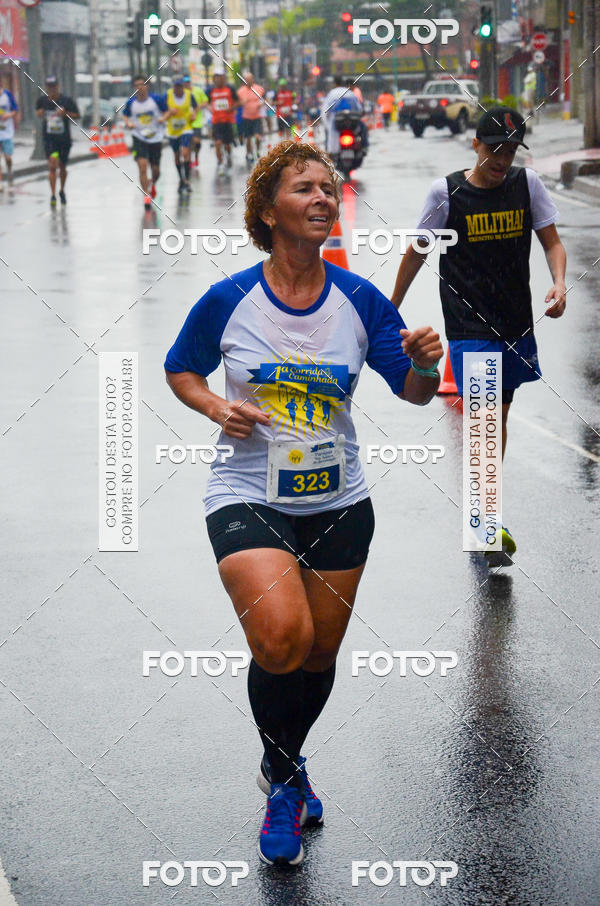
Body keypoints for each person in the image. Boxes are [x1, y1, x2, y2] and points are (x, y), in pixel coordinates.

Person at [164, 140, 442, 866]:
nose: (322, 197)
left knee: (319, 652)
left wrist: (422, 365)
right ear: (268, 211)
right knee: (281, 639)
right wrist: (213, 407)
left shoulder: (358, 299)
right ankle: (283, 784)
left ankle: (283, 760)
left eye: (328, 186)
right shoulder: (229, 299)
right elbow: (180, 369)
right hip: (245, 493)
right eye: (303, 188)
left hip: (339, 499)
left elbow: (411, 394)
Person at [390, 106, 567, 565]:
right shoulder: (447, 193)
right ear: (476, 145)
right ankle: (486, 521)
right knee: (485, 421)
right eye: (494, 149)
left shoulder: (527, 185)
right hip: (469, 328)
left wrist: (559, 282)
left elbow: (551, 241)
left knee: (497, 420)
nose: (502, 158)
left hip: (514, 322)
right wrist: (391, 306)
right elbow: (417, 252)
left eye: (510, 150)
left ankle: (481, 516)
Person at [123, 74, 169, 208]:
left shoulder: (156, 99)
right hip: (139, 137)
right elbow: (125, 115)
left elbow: (167, 111)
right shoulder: (131, 102)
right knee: (142, 165)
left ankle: (152, 183)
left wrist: (163, 118)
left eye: (142, 84)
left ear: (147, 86)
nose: (139, 87)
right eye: (137, 85)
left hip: (155, 137)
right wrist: (129, 123)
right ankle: (146, 196)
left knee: (156, 170)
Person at [35, 76, 80, 206]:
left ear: (58, 86)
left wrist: (65, 114)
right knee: (53, 165)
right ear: (46, 87)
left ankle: (62, 190)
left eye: (53, 86)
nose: (51, 89)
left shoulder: (66, 101)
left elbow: (77, 115)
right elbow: (38, 113)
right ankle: (53, 194)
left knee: (62, 167)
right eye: (49, 86)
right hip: (49, 139)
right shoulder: (42, 101)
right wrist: (40, 113)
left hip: (64, 139)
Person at [165, 77, 197, 193]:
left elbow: (195, 106)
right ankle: (181, 178)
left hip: (186, 128)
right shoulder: (168, 95)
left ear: (183, 87)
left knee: (185, 152)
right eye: (176, 87)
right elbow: (162, 109)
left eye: (180, 87)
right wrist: (169, 113)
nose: (178, 89)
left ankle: (187, 180)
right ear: (173, 87)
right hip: (173, 130)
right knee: (177, 156)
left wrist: (194, 114)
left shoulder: (189, 95)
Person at [206, 71, 239, 175]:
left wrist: (232, 108)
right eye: (216, 77)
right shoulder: (210, 90)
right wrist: (210, 108)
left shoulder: (230, 89)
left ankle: (229, 155)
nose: (218, 79)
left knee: (227, 144)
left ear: (224, 78)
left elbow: (239, 101)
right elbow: (205, 102)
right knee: (218, 143)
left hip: (228, 121)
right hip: (216, 121)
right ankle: (220, 164)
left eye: (220, 77)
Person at [321, 75, 362, 157]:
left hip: (335, 124)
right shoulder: (350, 93)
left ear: (334, 84)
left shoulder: (332, 94)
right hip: (351, 123)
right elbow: (359, 109)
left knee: (331, 149)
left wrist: (326, 124)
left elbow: (325, 111)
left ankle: (331, 159)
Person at [237, 72, 265, 164]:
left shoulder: (259, 89)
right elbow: (236, 103)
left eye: (250, 79)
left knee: (257, 137)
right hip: (247, 118)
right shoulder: (240, 91)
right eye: (246, 79)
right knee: (248, 138)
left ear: (253, 79)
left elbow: (265, 99)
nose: (248, 81)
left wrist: (262, 103)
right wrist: (242, 102)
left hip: (256, 117)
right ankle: (248, 153)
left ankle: (257, 151)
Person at [185, 75, 208, 168]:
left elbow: (205, 101)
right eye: (184, 82)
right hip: (187, 123)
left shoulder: (198, 91)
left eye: (187, 82)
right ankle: (189, 160)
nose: (186, 84)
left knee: (197, 142)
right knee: (189, 142)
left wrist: (199, 107)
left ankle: (196, 156)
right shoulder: (182, 93)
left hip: (197, 121)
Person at [0, 76, 19, 185]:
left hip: (7, 132)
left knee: (7, 158)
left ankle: (9, 169)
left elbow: (15, 109)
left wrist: (8, 115)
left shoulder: (7, 94)